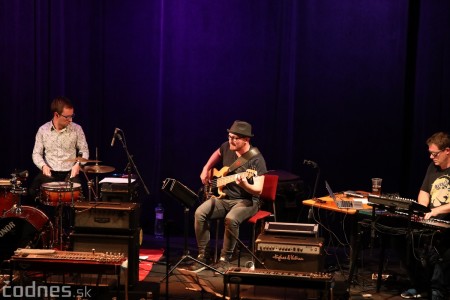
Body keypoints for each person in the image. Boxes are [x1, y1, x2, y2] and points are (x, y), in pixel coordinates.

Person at [188, 120, 267, 273]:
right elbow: (217, 153)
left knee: (231, 219)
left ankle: (225, 259)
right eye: (229, 136)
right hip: (224, 197)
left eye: (235, 138)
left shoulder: (256, 159)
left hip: (247, 201)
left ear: (246, 140)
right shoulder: (227, 147)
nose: (230, 140)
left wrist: (244, 185)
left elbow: (258, 190)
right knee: (200, 213)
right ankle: (203, 256)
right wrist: (206, 168)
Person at [401, 131, 450, 299]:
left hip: (446, 219)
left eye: (434, 153)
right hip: (431, 217)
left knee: (441, 242)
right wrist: (421, 210)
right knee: (403, 237)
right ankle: (420, 284)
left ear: (447, 151)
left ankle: (437, 289)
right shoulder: (433, 167)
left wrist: (435, 211)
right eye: (430, 153)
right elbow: (424, 192)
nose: (431, 157)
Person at [29, 96, 89, 202]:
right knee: (32, 192)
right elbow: (36, 153)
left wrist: (78, 165)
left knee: (83, 192)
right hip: (50, 173)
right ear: (56, 115)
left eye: (72, 116)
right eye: (67, 117)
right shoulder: (43, 130)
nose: (71, 120)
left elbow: (84, 150)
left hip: (70, 173)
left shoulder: (77, 129)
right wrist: (43, 166)